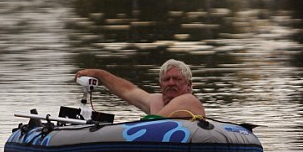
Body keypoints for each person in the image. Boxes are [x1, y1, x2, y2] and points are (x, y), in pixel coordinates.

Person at [75, 59, 205, 118]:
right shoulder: (156, 101)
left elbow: (156, 122)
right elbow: (128, 90)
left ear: (188, 85)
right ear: (160, 85)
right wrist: (100, 74)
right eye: (166, 79)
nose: (171, 83)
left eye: (177, 79)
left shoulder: (189, 100)